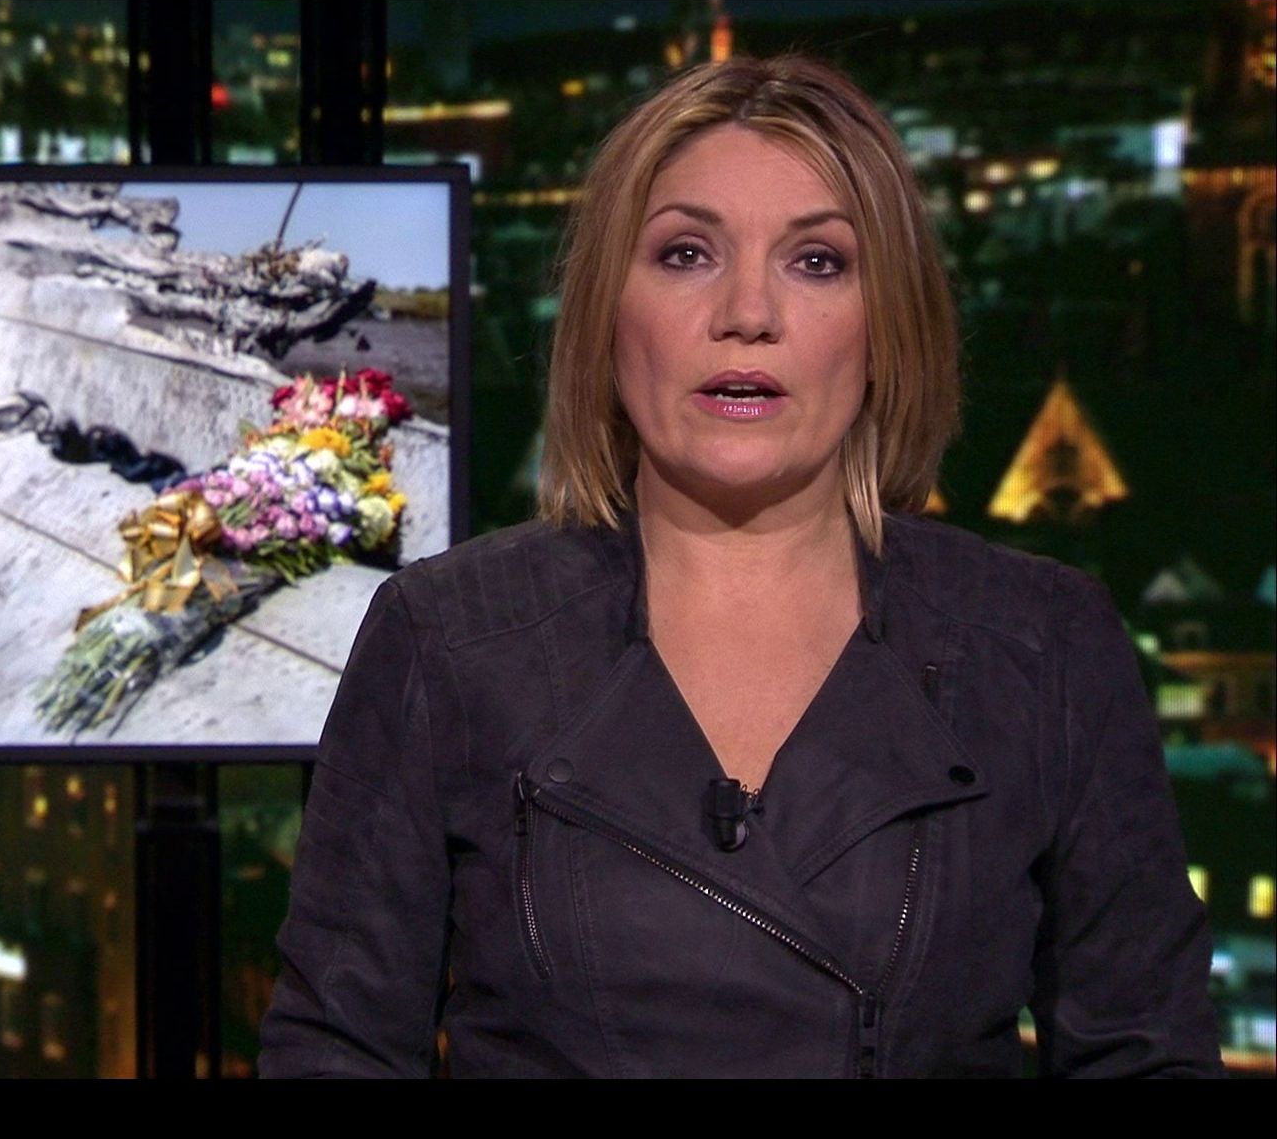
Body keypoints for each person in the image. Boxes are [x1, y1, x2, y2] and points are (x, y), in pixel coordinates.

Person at [256, 53, 1226, 1078]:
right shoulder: (447, 639)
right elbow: (336, 1053)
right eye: (686, 254)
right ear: (607, 309)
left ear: (888, 324)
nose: (748, 312)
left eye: (818, 262)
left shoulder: (1039, 645)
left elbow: (1147, 1054)